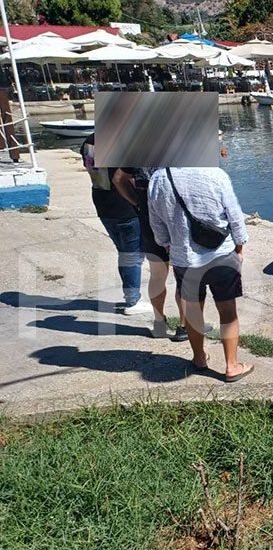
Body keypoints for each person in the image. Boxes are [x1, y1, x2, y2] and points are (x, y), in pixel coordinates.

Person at [146, 166, 254, 382]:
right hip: (222, 255)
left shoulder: (158, 178)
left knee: (194, 312)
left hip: (184, 259)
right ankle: (231, 366)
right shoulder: (215, 173)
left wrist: (167, 244)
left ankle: (199, 358)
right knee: (228, 311)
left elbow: (156, 222)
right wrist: (240, 247)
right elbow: (234, 216)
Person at [112, 166, 187, 340]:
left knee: (157, 275)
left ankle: (159, 323)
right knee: (183, 275)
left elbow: (118, 179)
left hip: (149, 219)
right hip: (178, 219)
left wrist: (136, 202)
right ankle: (184, 326)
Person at [81, 133, 148, 314]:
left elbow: (91, 169)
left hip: (102, 202)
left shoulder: (89, 141)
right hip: (124, 206)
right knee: (133, 254)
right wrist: (137, 201)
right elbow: (127, 176)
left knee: (124, 252)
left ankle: (131, 295)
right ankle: (133, 300)